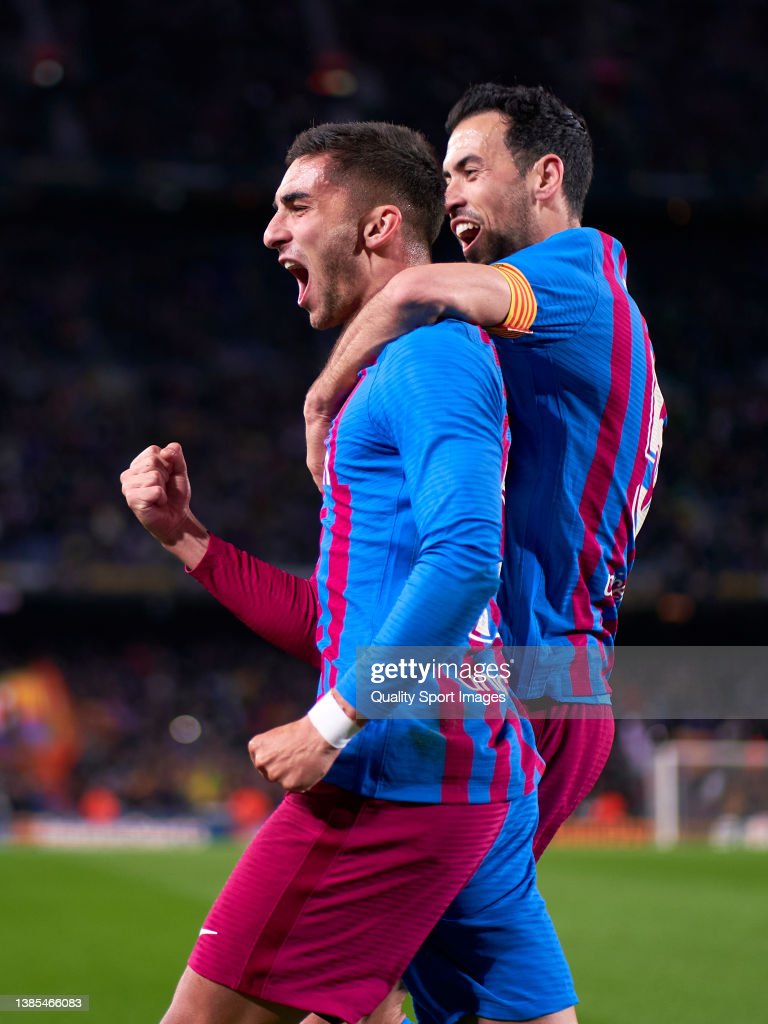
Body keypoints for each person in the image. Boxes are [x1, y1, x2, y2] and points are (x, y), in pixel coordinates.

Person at [123, 122, 577, 1024]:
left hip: (394, 780)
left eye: (297, 205)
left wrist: (329, 725)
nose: (272, 232)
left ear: (377, 227)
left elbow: (465, 561)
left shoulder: (427, 359)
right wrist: (187, 540)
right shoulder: (404, 370)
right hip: (464, 773)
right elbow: (335, 620)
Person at [303, 83, 667, 859]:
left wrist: (323, 397)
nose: (451, 196)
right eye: (444, 179)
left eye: (470, 171)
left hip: (537, 675)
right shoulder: (593, 307)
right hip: (550, 676)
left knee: (406, 922)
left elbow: (417, 288)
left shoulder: (572, 280)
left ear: (545, 177)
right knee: (458, 933)